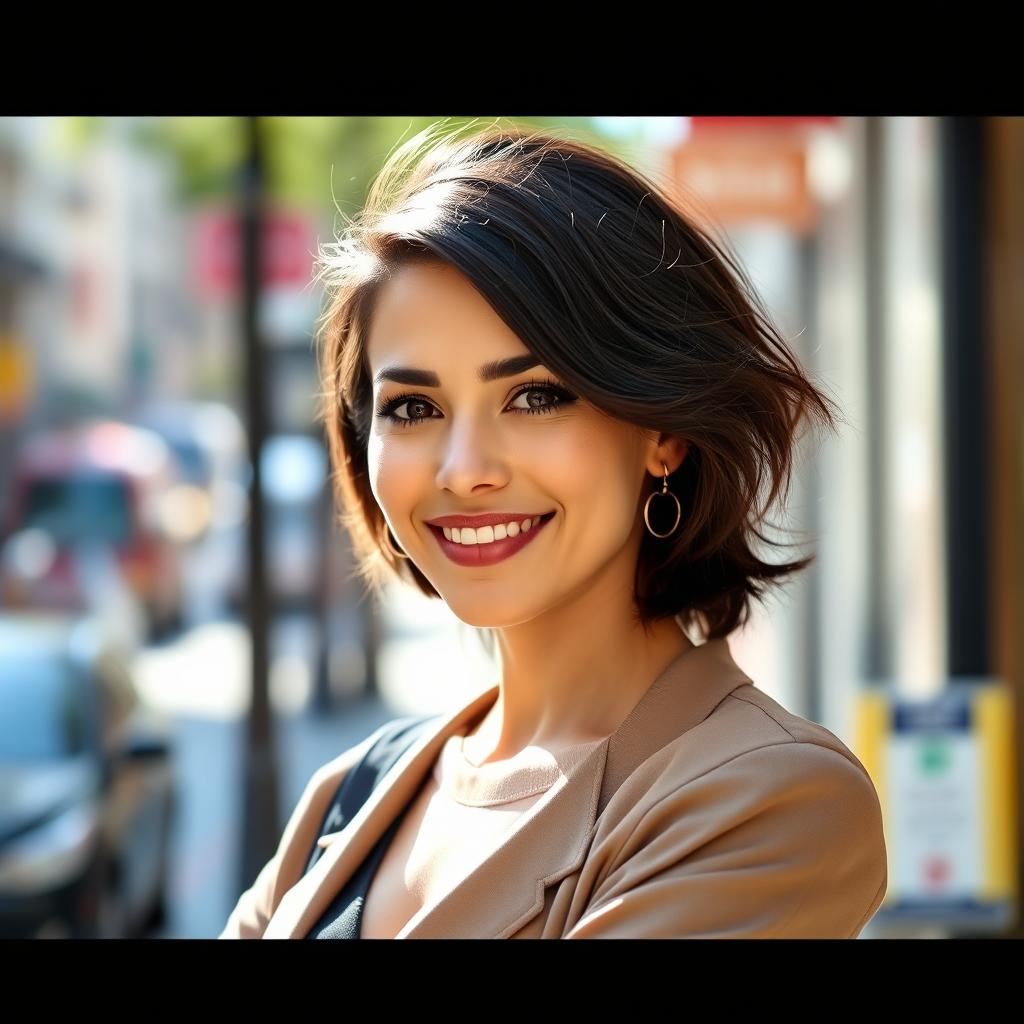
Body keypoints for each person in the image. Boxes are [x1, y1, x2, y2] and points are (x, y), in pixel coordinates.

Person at [219, 119, 887, 940]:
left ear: (662, 431)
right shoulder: (349, 798)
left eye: (535, 396)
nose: (463, 470)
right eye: (412, 408)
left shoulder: (768, 801)